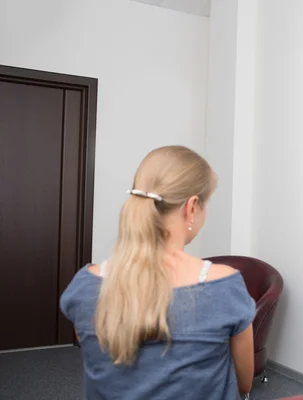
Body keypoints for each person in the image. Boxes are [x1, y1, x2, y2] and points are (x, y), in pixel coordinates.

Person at [60, 146, 255, 400]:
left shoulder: (85, 285)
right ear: (192, 207)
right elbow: (244, 383)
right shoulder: (225, 286)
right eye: (205, 205)